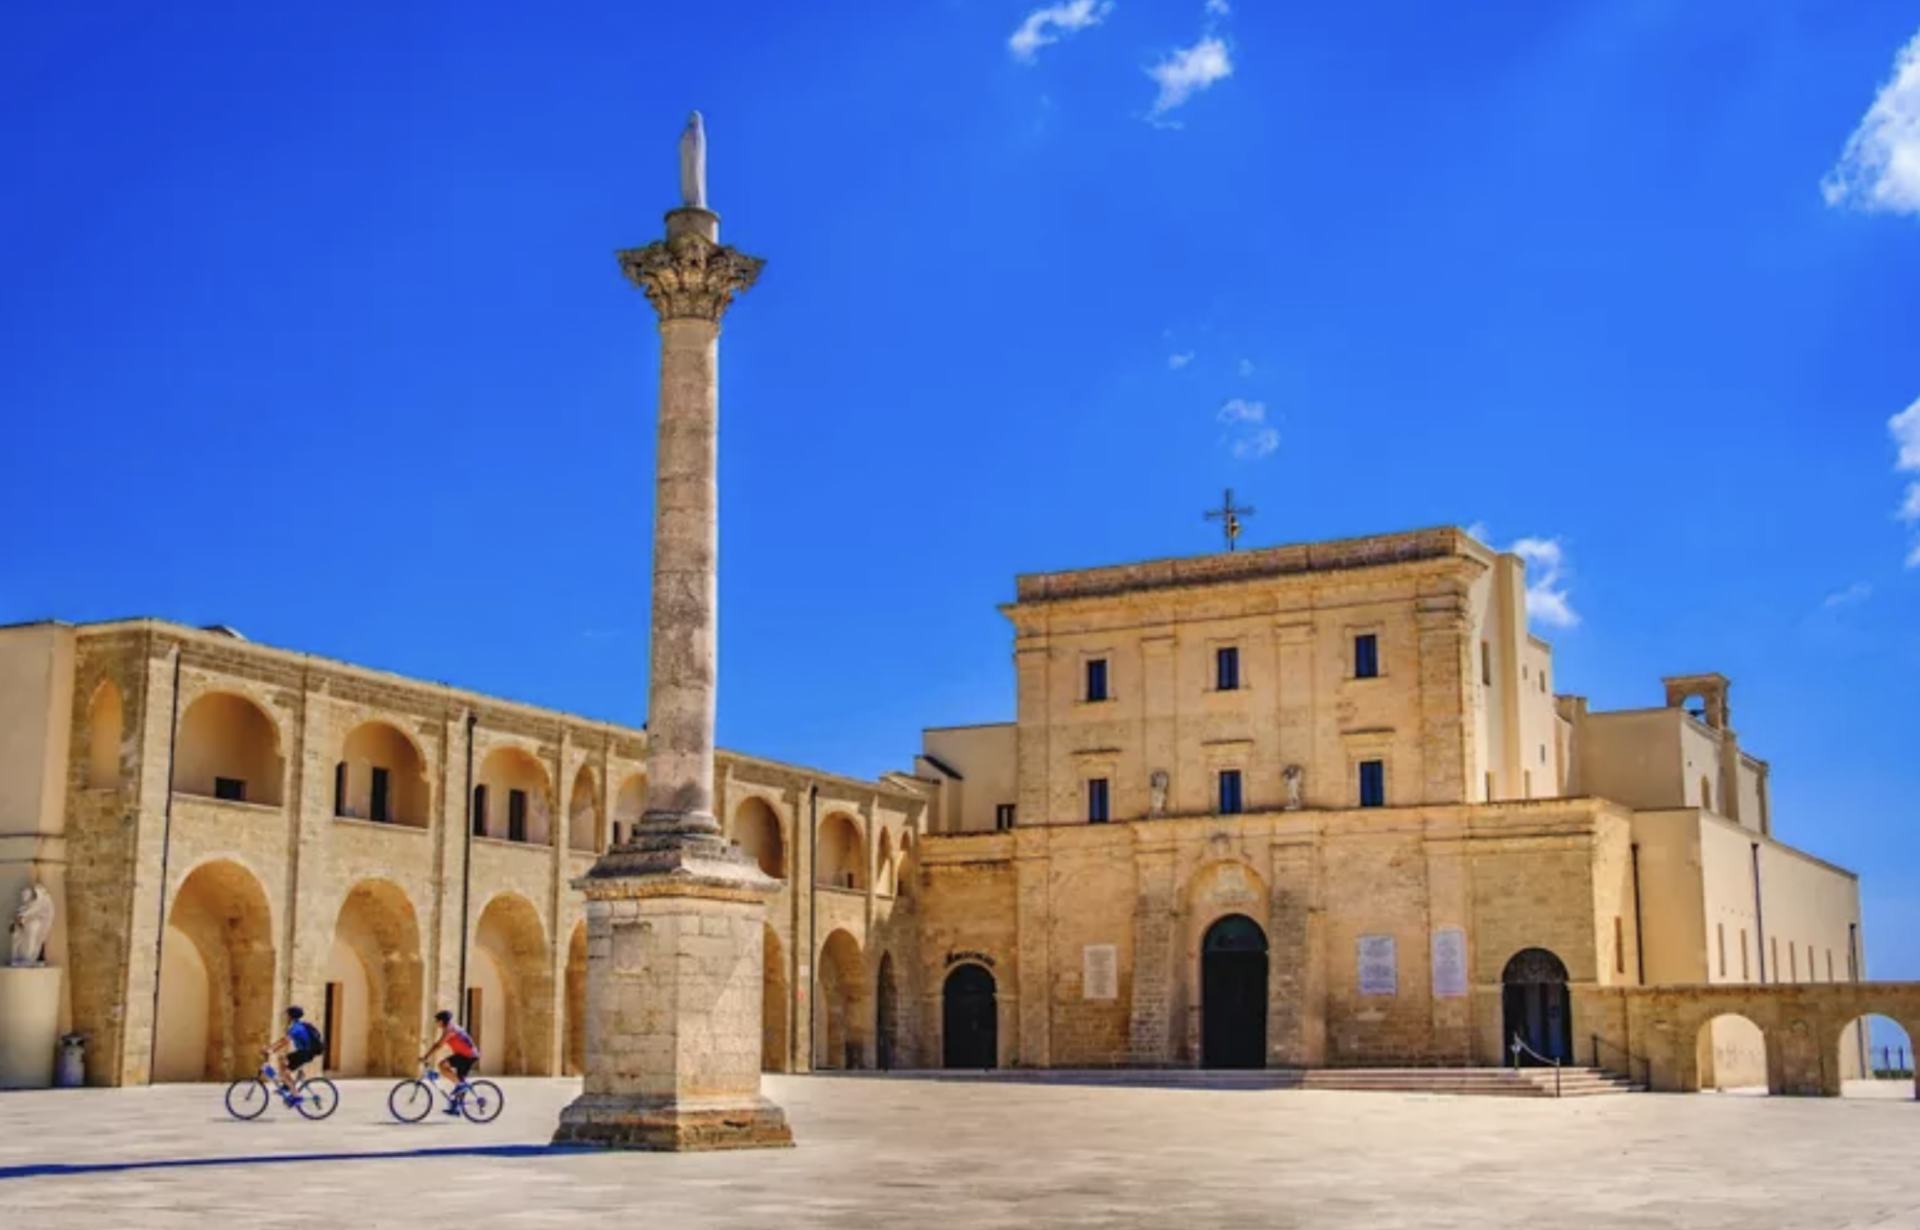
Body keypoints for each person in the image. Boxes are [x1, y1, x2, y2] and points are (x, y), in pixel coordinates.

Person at [421, 1010, 480, 1114]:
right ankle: (456, 1108)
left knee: (442, 1065)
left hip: (467, 1056)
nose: (436, 1023)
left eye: (437, 1021)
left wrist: (426, 1056)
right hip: (464, 1055)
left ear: (442, 1021)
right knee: (459, 1081)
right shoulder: (450, 1028)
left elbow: (438, 1045)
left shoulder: (450, 1030)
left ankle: (460, 1086)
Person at [265, 1006, 323, 1098]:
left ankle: (296, 1096)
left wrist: (271, 1050)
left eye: (287, 1015)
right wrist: (270, 1048)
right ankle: (286, 1085)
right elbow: (282, 1040)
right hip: (304, 1053)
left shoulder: (297, 1028)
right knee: (282, 1059)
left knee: (285, 1073)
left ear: (291, 1016)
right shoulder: (298, 1025)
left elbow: (285, 1041)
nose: (286, 1017)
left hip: (305, 1053)